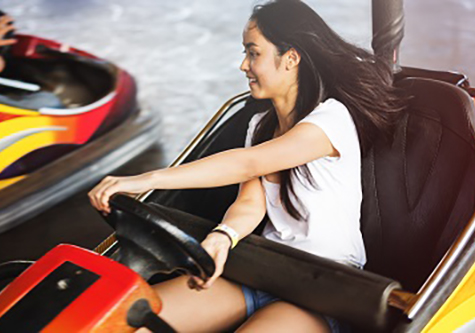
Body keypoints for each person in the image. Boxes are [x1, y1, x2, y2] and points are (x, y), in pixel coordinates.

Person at [89, 0, 403, 331]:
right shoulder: (260, 126)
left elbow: (247, 163)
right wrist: (222, 237)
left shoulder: (331, 120)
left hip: (322, 286)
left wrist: (143, 180)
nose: (243, 65)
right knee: (130, 324)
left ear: (291, 58)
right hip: (263, 270)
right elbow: (250, 203)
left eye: (253, 53)